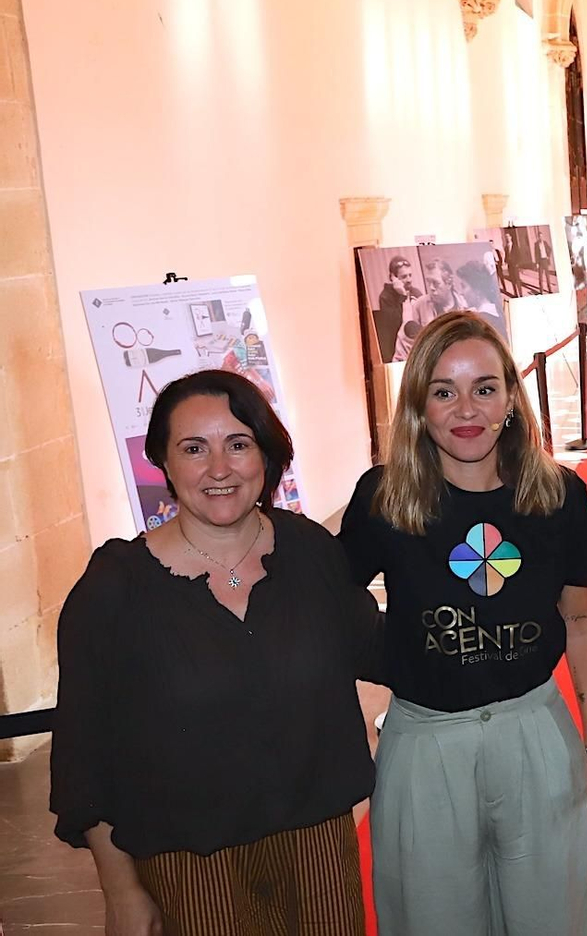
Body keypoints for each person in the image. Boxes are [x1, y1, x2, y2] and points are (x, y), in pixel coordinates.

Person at [51, 370, 381, 936]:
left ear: (266, 453)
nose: (219, 469)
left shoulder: (311, 555)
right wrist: (123, 891)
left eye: (238, 444)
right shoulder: (115, 589)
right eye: (194, 449)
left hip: (319, 852)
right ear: (163, 460)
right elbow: (85, 756)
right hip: (191, 869)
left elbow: (383, 655)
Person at [340, 311, 587, 936]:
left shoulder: (557, 495)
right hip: (425, 742)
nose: (467, 409)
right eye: (444, 391)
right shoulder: (383, 498)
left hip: (534, 733)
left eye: (485, 388)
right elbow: (331, 603)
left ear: (512, 399)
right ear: (419, 406)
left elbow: (580, 621)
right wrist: (388, 659)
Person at [377, 254, 420, 363]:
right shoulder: (386, 297)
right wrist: (403, 296)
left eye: (410, 275)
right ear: (393, 278)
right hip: (398, 349)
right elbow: (397, 324)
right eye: (404, 277)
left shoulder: (416, 292)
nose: (409, 279)